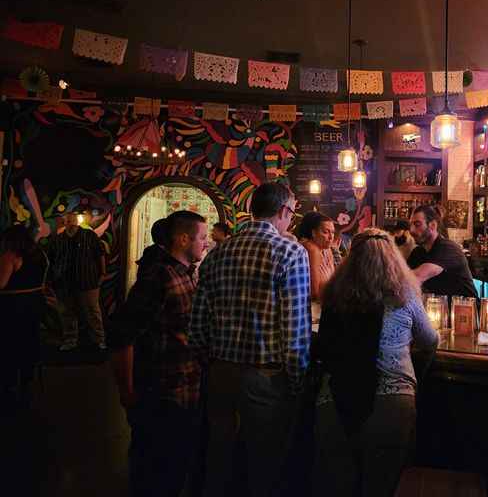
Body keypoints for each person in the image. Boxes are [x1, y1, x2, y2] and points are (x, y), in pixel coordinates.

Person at [189, 182, 311, 497]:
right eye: (293, 214)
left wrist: (209, 363)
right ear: (284, 211)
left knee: (219, 458)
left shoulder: (218, 251)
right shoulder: (290, 251)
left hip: (220, 371)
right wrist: (297, 381)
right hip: (265, 376)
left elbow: (198, 319)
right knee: (264, 463)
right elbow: (295, 327)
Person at [313, 228, 438, 497]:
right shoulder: (406, 297)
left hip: (335, 400)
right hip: (392, 404)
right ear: (394, 258)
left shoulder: (334, 297)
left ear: (351, 261)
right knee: (382, 486)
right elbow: (430, 341)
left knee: (339, 484)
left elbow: (323, 348)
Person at [108, 211, 209, 497]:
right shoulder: (159, 277)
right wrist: (127, 392)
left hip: (186, 390)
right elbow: (121, 335)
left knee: (176, 468)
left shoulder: (186, 274)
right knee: (154, 471)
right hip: (161, 392)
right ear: (182, 239)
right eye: (201, 238)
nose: (206, 243)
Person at [0, 225, 49, 410]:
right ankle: (26, 384)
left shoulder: (11, 256)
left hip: (13, 308)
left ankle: (8, 387)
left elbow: (1, 283)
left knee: (9, 346)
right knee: (29, 342)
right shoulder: (40, 256)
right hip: (35, 304)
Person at [48, 211, 107, 351]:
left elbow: (100, 254)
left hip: (88, 281)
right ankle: (70, 340)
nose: (71, 223)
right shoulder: (58, 239)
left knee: (93, 312)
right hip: (64, 283)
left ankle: (99, 340)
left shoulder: (89, 235)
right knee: (67, 313)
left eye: (72, 220)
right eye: (68, 220)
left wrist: (102, 274)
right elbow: (52, 260)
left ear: (77, 221)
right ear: (64, 222)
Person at [407, 205, 477, 298]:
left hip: (464, 309)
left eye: (417, 224)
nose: (411, 230)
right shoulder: (418, 252)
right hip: (436, 308)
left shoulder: (448, 248)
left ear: (432, 225)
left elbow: (416, 277)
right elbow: (402, 276)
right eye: (411, 225)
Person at [295, 212, 336, 302]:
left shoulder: (327, 249)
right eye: (325, 232)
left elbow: (334, 282)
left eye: (333, 232)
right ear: (313, 233)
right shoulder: (311, 248)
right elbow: (315, 293)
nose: (331, 237)